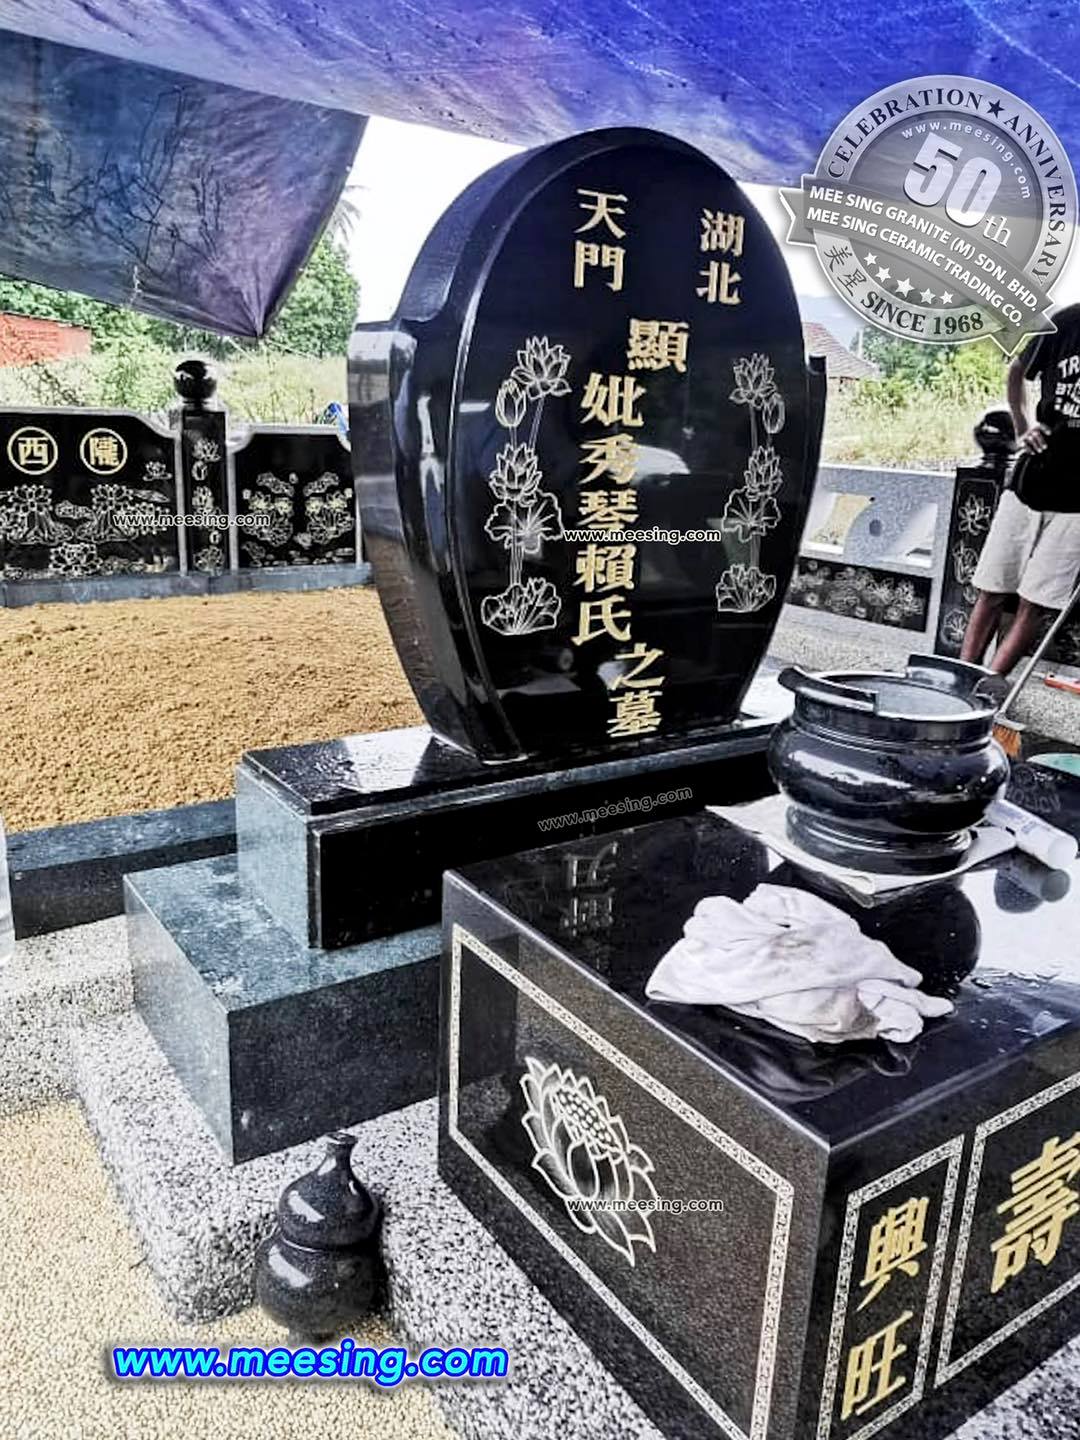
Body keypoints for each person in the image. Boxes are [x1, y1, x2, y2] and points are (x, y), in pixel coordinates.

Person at [961, 302, 1080, 678]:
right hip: (1032, 479)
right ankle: (960, 679)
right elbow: (1018, 371)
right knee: (993, 589)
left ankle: (990, 688)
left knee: (1036, 601)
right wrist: (1022, 425)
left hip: (1078, 503)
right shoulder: (1067, 322)